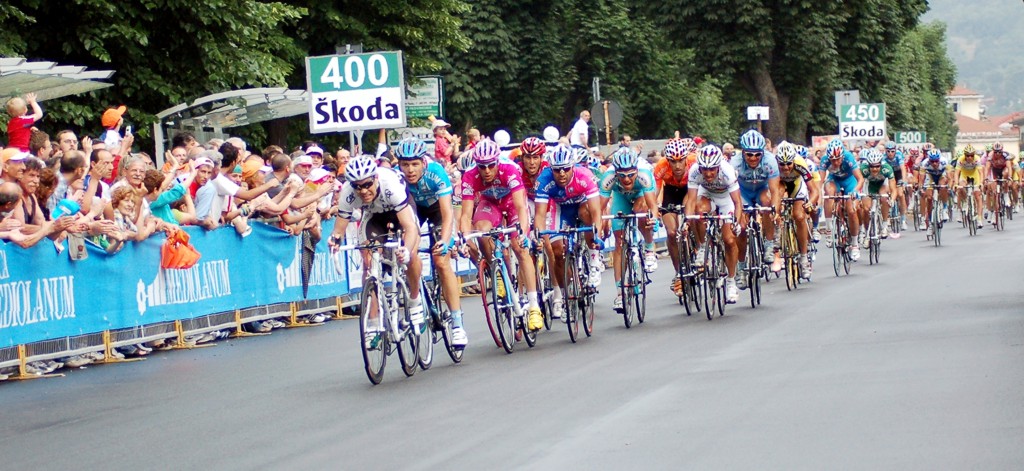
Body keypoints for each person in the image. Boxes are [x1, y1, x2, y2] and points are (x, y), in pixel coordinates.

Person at [328, 155, 424, 348]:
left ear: (376, 178)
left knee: (410, 254)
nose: (363, 190)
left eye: (367, 184)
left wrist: (406, 249)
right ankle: (373, 321)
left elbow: (410, 227)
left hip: (400, 212)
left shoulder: (391, 185)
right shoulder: (348, 193)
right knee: (369, 261)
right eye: (357, 186)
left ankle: (415, 299)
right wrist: (335, 240)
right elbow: (338, 229)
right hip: (374, 217)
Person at [460, 140, 543, 331]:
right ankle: (495, 272)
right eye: (482, 166)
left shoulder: (510, 169)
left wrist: (522, 233)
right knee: (480, 230)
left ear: (497, 161)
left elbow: (522, 207)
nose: (487, 170)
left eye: (491, 165)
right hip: (491, 205)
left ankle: (534, 307)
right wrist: (465, 239)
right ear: (476, 165)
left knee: (519, 248)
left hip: (512, 204)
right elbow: (465, 215)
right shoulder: (470, 176)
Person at [394, 137, 467, 347]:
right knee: (410, 252)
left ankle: (457, 324)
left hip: (436, 209)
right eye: (405, 164)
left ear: (423, 162)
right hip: (411, 210)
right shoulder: (397, 178)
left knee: (441, 261)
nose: (409, 170)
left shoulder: (436, 173)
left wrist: (445, 241)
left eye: (414, 164)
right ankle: (416, 300)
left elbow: (447, 215)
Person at [534, 144, 603, 317]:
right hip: (561, 210)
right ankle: (566, 296)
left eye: (565, 169)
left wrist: (597, 235)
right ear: (551, 169)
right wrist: (539, 237)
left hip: (582, 206)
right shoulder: (544, 180)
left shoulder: (584, 176)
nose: (562, 173)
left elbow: (596, 212)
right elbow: (540, 215)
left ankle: (594, 261)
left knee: (586, 215)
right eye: (557, 170)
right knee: (558, 252)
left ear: (572, 166)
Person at [599, 147, 659, 310]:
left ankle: (648, 249)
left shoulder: (644, 174)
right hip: (620, 197)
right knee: (618, 243)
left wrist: (652, 219)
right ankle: (620, 293)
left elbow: (653, 207)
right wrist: (597, 228)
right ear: (616, 172)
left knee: (641, 212)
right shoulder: (608, 177)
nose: (626, 179)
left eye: (631, 174)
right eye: (622, 175)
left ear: (636, 170)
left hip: (641, 194)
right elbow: (599, 209)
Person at [685, 145, 742, 303]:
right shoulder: (695, 171)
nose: (708, 173)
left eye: (712, 169)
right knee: (698, 211)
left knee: (729, 240)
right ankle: (703, 247)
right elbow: (690, 200)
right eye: (705, 169)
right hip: (707, 195)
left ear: (718, 166)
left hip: (726, 199)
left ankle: (731, 282)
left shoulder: (727, 172)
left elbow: (737, 203)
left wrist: (735, 222)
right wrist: (687, 221)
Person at [732, 129, 782, 286]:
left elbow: (775, 191)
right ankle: (740, 268)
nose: (753, 158)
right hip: (743, 192)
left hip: (762, 190)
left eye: (757, 155)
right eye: (749, 154)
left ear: (762, 153)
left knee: (767, 205)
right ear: (743, 153)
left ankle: (768, 244)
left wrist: (775, 210)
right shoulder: (735, 163)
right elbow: (731, 191)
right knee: (741, 228)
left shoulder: (770, 161)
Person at [654, 138, 698, 296]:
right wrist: (654, 208)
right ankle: (678, 272)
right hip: (671, 192)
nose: (677, 166)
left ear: (686, 158)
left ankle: (698, 249)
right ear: (668, 160)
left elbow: (693, 194)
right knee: (672, 233)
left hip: (689, 189)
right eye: (673, 161)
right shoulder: (661, 166)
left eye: (681, 161)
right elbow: (655, 192)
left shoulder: (694, 163)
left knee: (691, 215)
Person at [774, 143, 819, 277]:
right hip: (781, 185)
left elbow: (814, 190)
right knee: (775, 205)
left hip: (797, 185)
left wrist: (810, 202)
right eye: (782, 164)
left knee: (799, 216)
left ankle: (804, 257)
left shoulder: (800, 164)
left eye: (789, 164)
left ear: (793, 160)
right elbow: (771, 190)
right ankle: (777, 237)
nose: (786, 167)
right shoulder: (773, 166)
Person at [821, 138, 864, 261]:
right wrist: (818, 193)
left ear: (842, 155)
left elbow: (860, 179)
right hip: (835, 180)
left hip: (850, 181)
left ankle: (855, 244)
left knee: (851, 210)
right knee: (828, 192)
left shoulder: (848, 157)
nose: (835, 162)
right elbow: (820, 181)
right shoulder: (825, 160)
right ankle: (829, 230)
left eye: (838, 159)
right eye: (832, 160)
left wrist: (855, 191)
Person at [857, 149, 897, 242]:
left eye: (877, 166)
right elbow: (859, 183)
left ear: (881, 164)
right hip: (869, 185)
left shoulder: (887, 168)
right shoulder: (863, 169)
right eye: (872, 166)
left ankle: (884, 225)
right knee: (866, 209)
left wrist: (892, 200)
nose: (874, 169)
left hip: (882, 185)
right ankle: (867, 232)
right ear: (868, 165)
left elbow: (893, 189)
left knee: (884, 197)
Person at [916, 148, 951, 236]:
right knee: (929, 197)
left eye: (936, 161)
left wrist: (949, 187)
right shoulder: (925, 163)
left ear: (939, 159)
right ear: (929, 160)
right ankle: (930, 223)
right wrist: (921, 188)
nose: (934, 163)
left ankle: (944, 209)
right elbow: (921, 179)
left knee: (943, 186)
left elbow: (950, 178)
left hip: (941, 175)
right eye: (932, 161)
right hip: (930, 176)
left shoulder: (944, 162)